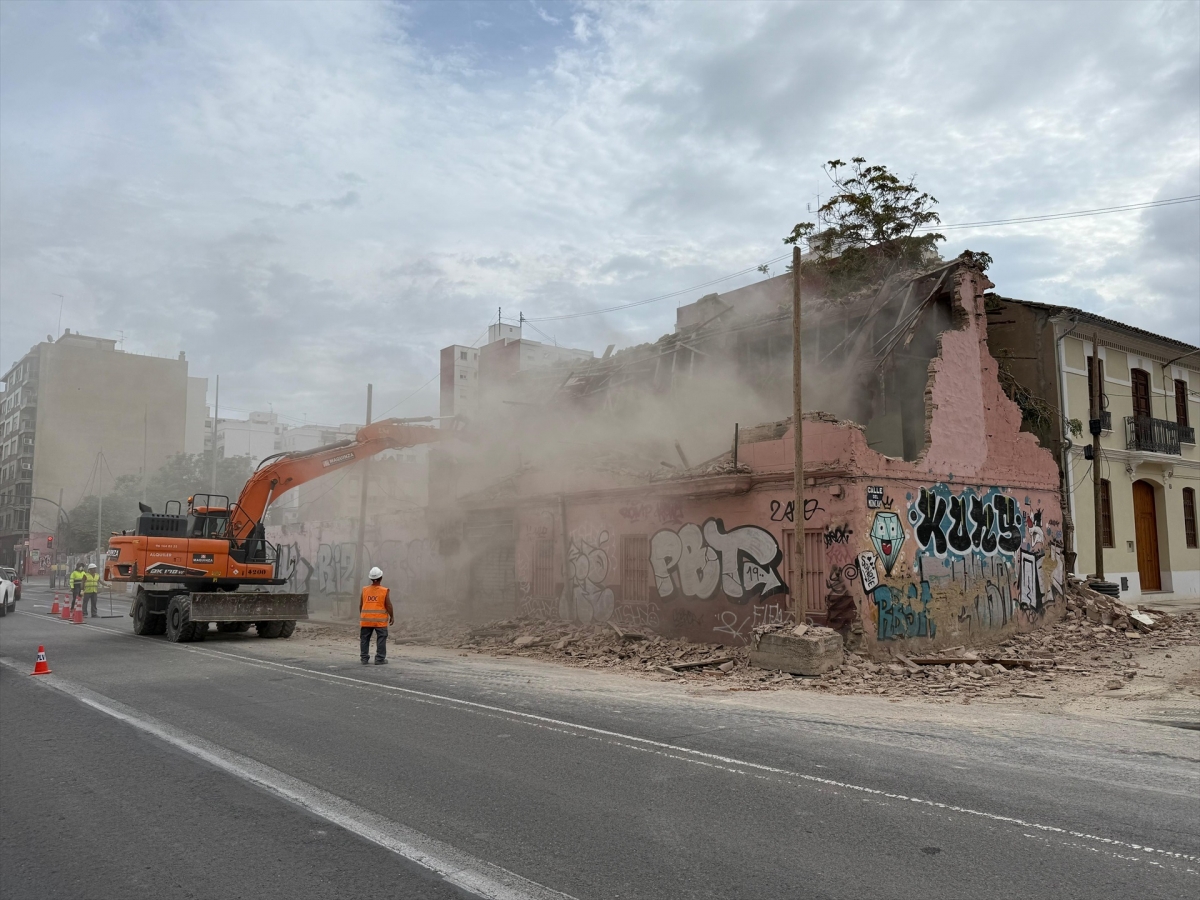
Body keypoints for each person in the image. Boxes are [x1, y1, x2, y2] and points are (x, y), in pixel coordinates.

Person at [359, 566, 393, 666]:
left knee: (364, 639)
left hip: (366, 620)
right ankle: (379, 659)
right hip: (380, 621)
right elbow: (388, 605)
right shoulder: (384, 590)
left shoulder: (365, 590)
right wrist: (392, 616)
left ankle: (364, 658)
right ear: (381, 578)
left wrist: (363, 615)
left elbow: (361, 605)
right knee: (381, 638)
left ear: (370, 578)